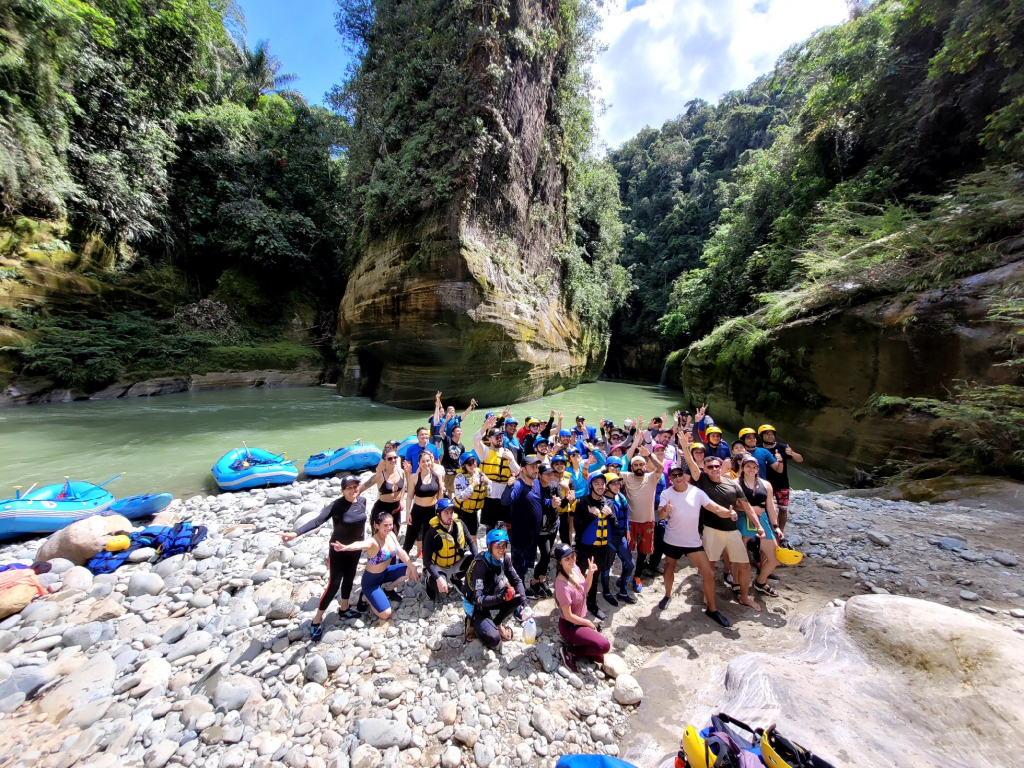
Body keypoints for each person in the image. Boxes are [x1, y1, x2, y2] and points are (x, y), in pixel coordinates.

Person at [281, 475, 367, 639]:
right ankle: (316, 620)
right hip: (338, 550)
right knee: (334, 585)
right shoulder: (336, 505)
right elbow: (317, 521)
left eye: (355, 486)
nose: (353, 490)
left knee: (349, 579)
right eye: (349, 487)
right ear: (342, 490)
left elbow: (361, 524)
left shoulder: (362, 501)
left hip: (354, 549)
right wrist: (295, 533)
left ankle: (344, 609)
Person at [682, 449, 764, 613]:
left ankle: (745, 597)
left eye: (716, 466)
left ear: (721, 467)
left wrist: (759, 526)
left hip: (732, 530)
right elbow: (691, 465)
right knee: (709, 566)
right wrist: (685, 447)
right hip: (712, 530)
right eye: (710, 467)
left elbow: (747, 508)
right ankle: (708, 596)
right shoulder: (703, 480)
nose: (713, 469)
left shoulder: (733, 484)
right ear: (705, 469)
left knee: (745, 566)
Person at [656, 466, 733, 626]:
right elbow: (660, 514)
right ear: (670, 478)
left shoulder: (696, 492)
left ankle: (712, 609)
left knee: (709, 574)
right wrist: (666, 510)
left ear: (684, 476)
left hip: (692, 542)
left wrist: (728, 513)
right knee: (669, 567)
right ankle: (668, 595)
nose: (677, 478)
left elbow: (714, 507)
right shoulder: (666, 493)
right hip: (672, 539)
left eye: (679, 475)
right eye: (673, 475)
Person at [336, 509, 419, 621]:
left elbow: (400, 551)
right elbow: (360, 544)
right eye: (385, 525)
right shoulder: (373, 542)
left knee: (409, 569)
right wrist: (346, 547)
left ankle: (388, 589)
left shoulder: (391, 535)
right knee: (386, 614)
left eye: (390, 524)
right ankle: (365, 597)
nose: (389, 528)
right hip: (371, 582)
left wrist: (412, 568)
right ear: (376, 526)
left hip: (385, 572)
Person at [553, 543, 610, 672]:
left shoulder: (576, 569)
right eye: (567, 558)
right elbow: (568, 615)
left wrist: (590, 573)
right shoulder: (561, 585)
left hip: (580, 621)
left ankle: (578, 644)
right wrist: (588, 623)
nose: (571, 560)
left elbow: (585, 590)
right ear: (560, 562)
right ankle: (569, 650)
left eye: (572, 556)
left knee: (599, 657)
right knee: (604, 646)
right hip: (569, 625)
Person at [468, 528, 530, 647]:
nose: (501, 550)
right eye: (498, 546)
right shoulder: (480, 566)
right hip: (477, 604)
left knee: (518, 597)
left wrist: (525, 605)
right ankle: (471, 621)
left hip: (493, 595)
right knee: (494, 640)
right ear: (489, 547)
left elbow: (516, 580)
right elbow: (478, 599)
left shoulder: (504, 559)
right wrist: (501, 598)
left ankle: (496, 623)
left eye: (504, 546)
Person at [623, 420, 664, 588]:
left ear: (645, 466)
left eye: (641, 464)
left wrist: (650, 455)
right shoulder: (626, 476)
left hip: (648, 521)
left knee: (642, 552)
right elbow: (609, 471)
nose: (639, 467)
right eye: (636, 465)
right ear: (632, 467)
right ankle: (626, 575)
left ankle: (637, 577)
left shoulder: (651, 477)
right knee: (627, 552)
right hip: (630, 522)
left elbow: (660, 468)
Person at [737, 454, 783, 596]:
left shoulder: (766, 484)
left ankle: (760, 582)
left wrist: (776, 526)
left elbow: (770, 507)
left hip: (761, 520)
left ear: (758, 469)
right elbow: (730, 504)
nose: (751, 469)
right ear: (743, 467)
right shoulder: (735, 483)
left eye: (754, 467)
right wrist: (749, 509)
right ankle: (738, 584)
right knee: (740, 558)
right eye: (748, 466)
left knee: (775, 558)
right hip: (741, 519)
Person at [501, 455, 547, 593]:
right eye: (532, 467)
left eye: (536, 467)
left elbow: (540, 501)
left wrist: (551, 503)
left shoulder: (537, 483)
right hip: (521, 535)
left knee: (528, 564)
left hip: (534, 534)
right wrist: (509, 486)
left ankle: (522, 588)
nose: (535, 469)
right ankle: (518, 594)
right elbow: (505, 501)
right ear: (523, 468)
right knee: (518, 568)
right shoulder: (518, 485)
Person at [573, 473, 614, 619]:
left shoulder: (609, 503)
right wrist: (591, 516)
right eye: (596, 483)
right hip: (585, 548)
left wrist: (611, 516)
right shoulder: (583, 503)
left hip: (602, 548)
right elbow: (577, 527)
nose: (600, 486)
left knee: (595, 576)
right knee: (580, 575)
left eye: (602, 483)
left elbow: (614, 527)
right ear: (590, 485)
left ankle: (592, 603)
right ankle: (576, 602)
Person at [421, 498, 478, 601]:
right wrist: (438, 578)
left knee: (474, 559)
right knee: (441, 590)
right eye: (446, 513)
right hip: (439, 567)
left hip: (456, 563)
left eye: (451, 512)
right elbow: (426, 561)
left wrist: (479, 562)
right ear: (438, 514)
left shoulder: (460, 524)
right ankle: (429, 582)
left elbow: (471, 542)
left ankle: (455, 578)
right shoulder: (432, 534)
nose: (450, 515)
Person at [473, 414, 521, 532]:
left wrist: (511, 460)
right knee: (490, 524)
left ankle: (507, 541)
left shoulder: (507, 452)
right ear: (490, 439)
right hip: (490, 493)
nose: (499, 439)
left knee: (507, 522)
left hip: (504, 493)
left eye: (501, 437)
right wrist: (484, 428)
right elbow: (475, 439)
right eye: (496, 437)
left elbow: (517, 472)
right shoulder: (484, 451)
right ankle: (491, 545)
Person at [757, 425, 802, 531]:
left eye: (772, 434)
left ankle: (780, 532)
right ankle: (769, 529)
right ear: (761, 436)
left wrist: (792, 453)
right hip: (765, 484)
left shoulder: (782, 447)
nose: (770, 436)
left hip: (782, 483)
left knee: (783, 509)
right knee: (766, 508)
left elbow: (800, 459)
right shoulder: (758, 448)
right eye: (767, 434)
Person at [405, 449, 445, 559]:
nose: (426, 463)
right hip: (417, 511)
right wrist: (408, 512)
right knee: (409, 538)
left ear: (431, 461)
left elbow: (440, 494)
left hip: (432, 511)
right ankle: (402, 563)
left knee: (428, 540)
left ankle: (426, 566)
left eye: (428, 461)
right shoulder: (414, 477)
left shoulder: (437, 476)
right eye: (423, 461)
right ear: (419, 463)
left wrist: (440, 512)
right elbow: (409, 496)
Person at [604, 473, 637, 605]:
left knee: (630, 564)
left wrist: (627, 530)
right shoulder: (604, 501)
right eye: (613, 483)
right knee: (606, 566)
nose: (617, 486)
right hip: (610, 540)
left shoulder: (621, 497)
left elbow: (626, 515)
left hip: (621, 536)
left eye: (618, 483)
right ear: (607, 486)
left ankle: (623, 592)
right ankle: (606, 592)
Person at [534, 461, 563, 597]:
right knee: (545, 555)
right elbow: (535, 505)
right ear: (539, 475)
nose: (549, 476)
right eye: (546, 474)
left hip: (553, 525)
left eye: (551, 474)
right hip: (540, 528)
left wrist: (564, 500)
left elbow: (561, 501)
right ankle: (535, 580)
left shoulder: (554, 485)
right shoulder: (535, 487)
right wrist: (551, 504)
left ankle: (542, 578)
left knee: (547, 554)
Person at [452, 451, 489, 537]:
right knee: (459, 536)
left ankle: (474, 551)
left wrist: (488, 482)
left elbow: (489, 493)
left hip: (473, 511)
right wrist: (473, 485)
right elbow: (460, 497)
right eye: (469, 464)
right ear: (464, 466)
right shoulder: (459, 477)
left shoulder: (480, 474)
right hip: (461, 510)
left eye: (474, 462)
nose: (473, 466)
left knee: (473, 537)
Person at [368, 449, 405, 519]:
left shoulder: (401, 472)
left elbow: (403, 485)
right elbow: (361, 488)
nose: (393, 460)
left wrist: (401, 500)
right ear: (384, 461)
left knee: (396, 530)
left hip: (396, 509)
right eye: (390, 459)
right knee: (380, 530)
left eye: (395, 457)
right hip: (381, 510)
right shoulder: (379, 476)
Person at [440, 425, 467, 497]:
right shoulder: (448, 440)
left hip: (455, 472)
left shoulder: (462, 447)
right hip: (445, 472)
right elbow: (441, 432)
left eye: (460, 431)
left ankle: (450, 506)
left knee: (451, 492)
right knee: (441, 490)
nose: (460, 432)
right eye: (457, 431)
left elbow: (461, 461)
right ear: (453, 433)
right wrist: (446, 421)